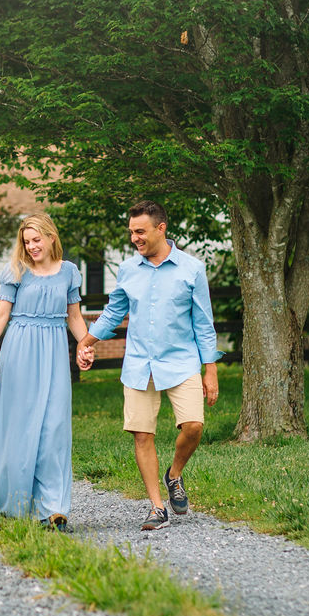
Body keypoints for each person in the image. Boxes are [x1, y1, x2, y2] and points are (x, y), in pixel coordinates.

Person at [76, 200, 223, 531]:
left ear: (161, 229)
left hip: (182, 361)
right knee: (143, 434)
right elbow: (115, 312)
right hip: (140, 364)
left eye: (140, 232)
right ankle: (157, 507)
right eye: (131, 232)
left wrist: (209, 369)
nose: (134, 239)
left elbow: (203, 322)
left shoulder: (192, 269)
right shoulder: (128, 270)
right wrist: (86, 341)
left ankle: (174, 474)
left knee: (194, 426)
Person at [0, 213, 89, 531]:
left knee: (54, 427)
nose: (31, 247)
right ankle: (13, 504)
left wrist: (84, 345)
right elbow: (2, 314)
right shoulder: (16, 270)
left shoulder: (70, 272)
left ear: (51, 237)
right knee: (19, 425)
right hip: (20, 349)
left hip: (54, 350)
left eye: (36, 240)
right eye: (27, 242)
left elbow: (74, 316)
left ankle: (52, 509)